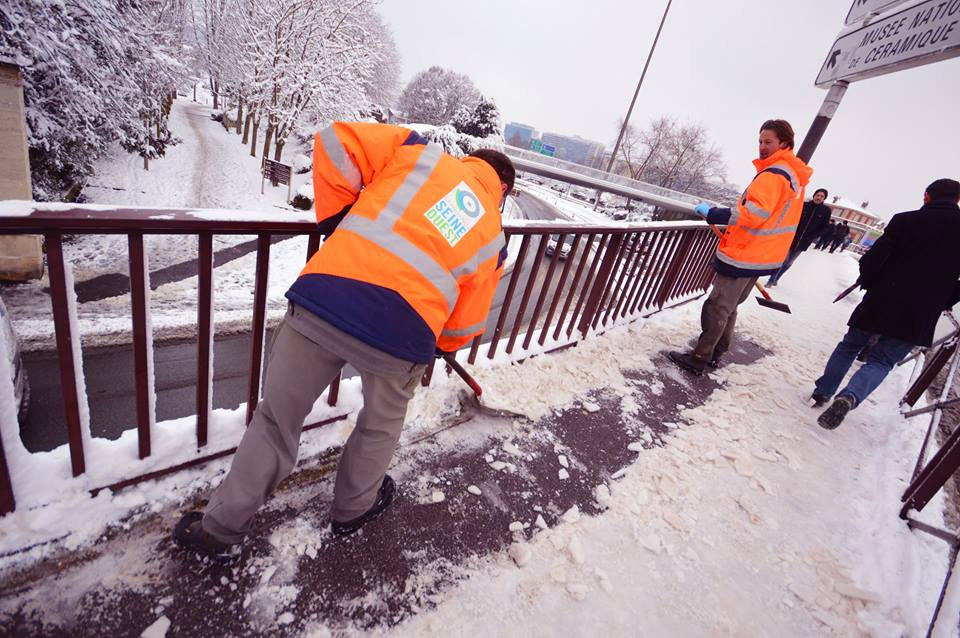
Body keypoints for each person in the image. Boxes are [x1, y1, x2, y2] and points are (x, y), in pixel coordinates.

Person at [172, 122, 515, 562]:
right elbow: (464, 325)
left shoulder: (418, 153)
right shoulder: (493, 236)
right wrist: (436, 346)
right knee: (379, 426)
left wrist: (337, 220)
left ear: (471, 161)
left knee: (276, 419)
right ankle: (352, 510)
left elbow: (334, 141)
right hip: (402, 334)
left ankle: (219, 530)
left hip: (327, 294)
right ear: (501, 189)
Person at [813, 178, 960, 429]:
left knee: (850, 346)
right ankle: (850, 396)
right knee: (882, 361)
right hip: (921, 311)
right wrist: (942, 301)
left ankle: (823, 391)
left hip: (883, 297)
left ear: (927, 196)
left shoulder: (905, 220)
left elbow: (875, 258)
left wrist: (869, 281)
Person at [669, 119, 812, 376]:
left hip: (745, 252)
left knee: (717, 306)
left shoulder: (774, 175)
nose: (762, 147)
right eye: (760, 141)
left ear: (784, 143)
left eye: (768, 142)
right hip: (762, 254)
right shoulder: (793, 177)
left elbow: (753, 213)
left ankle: (699, 358)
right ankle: (717, 352)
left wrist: (715, 213)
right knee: (730, 306)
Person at [766, 187, 832, 286]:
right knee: (783, 260)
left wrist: (815, 235)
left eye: (822, 196)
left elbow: (825, 226)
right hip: (792, 237)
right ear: (814, 195)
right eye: (817, 195)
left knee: (789, 263)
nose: (819, 197)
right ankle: (771, 280)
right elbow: (792, 218)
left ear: (824, 199)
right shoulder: (804, 205)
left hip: (805, 241)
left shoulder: (826, 211)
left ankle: (776, 279)